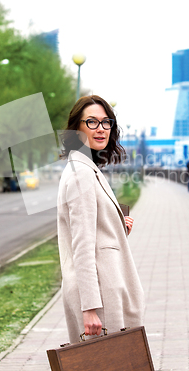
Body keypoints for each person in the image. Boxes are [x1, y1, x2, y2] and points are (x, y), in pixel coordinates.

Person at [57, 95, 145, 344]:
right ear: (76, 129)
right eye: (92, 122)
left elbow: (93, 231)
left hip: (105, 290)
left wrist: (117, 228)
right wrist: (90, 309)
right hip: (100, 297)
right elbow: (82, 245)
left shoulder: (86, 168)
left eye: (106, 122)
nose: (101, 129)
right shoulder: (81, 174)